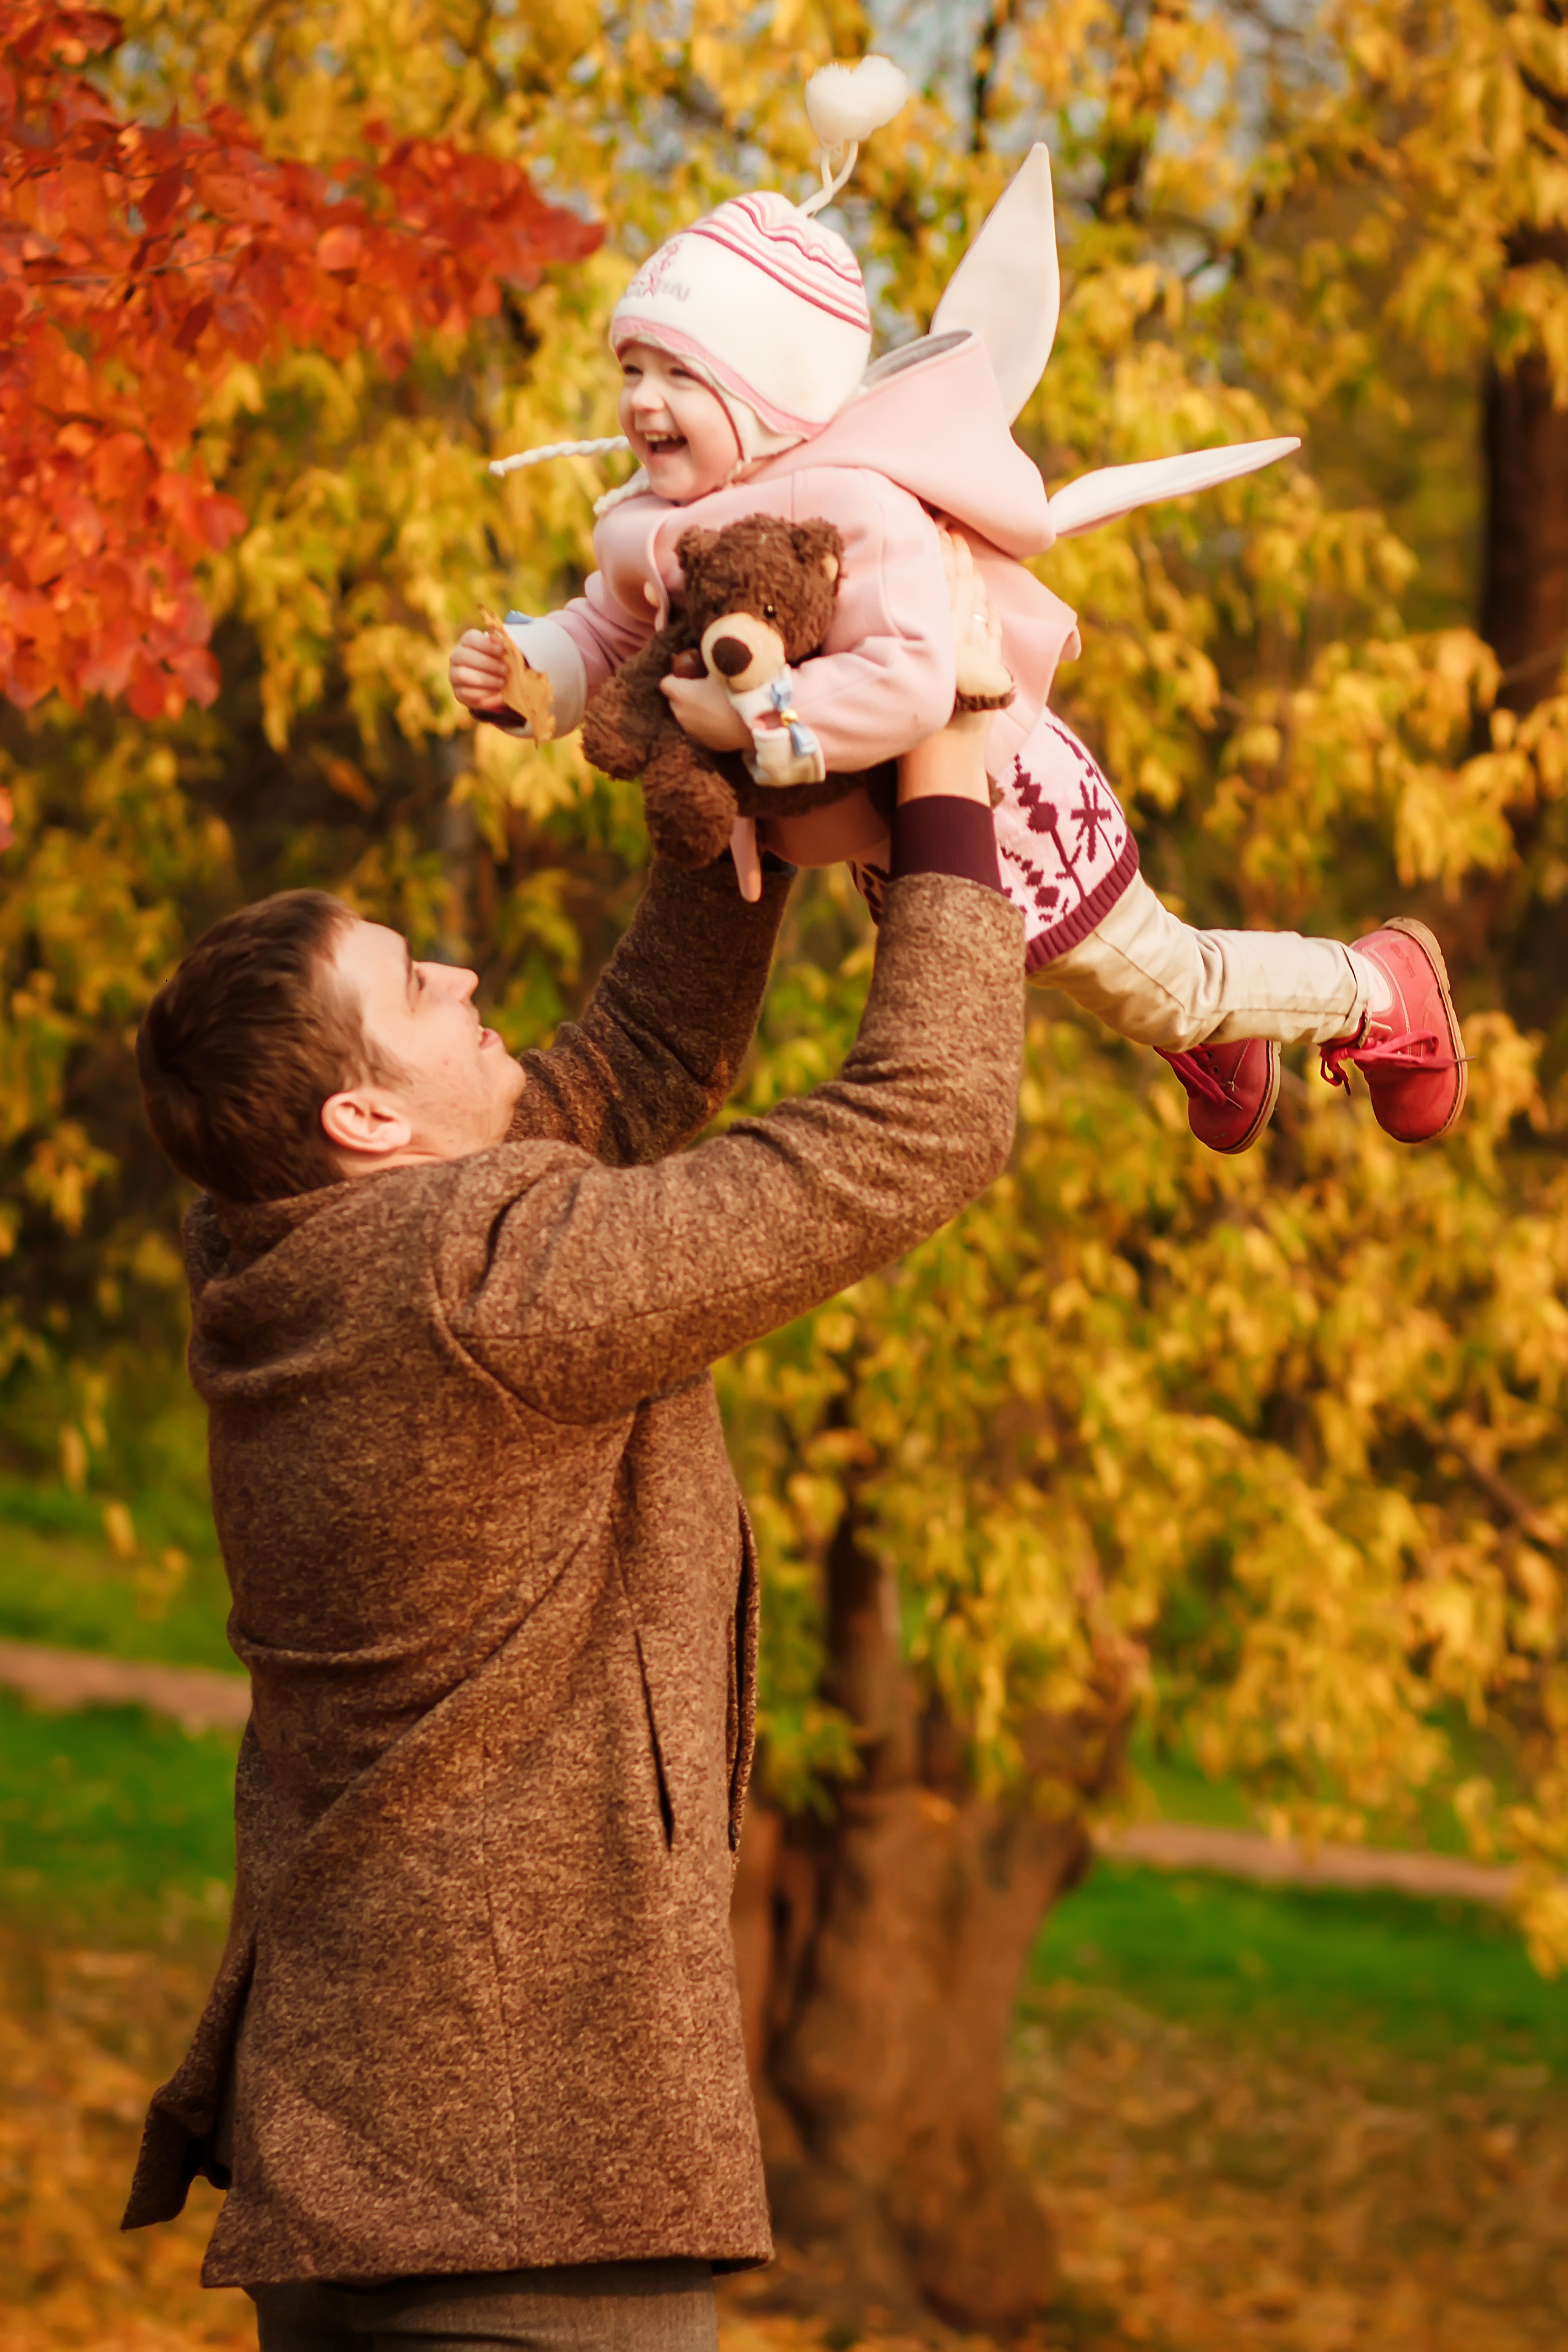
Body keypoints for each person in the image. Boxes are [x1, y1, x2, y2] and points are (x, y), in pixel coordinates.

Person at [120, 578, 1022, 2352]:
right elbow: (930, 1121)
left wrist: (723, 768)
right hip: (518, 2223)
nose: (462, 972)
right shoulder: (483, 1288)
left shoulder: (291, 1265)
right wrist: (949, 795)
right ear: (366, 1121)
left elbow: (627, 1070)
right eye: (412, 981)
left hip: (375, 2177)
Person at [450, 108, 1466, 1159]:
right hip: (905, 829)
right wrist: (538, 673)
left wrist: (756, 720)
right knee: (1031, 974)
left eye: (679, 378)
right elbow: (612, 625)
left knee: (1165, 977)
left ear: (770, 399)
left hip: (1008, 799)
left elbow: (913, 679)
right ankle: (1221, 1043)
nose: (641, 404)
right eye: (632, 371)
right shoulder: (655, 525)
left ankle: (1376, 988)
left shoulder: (854, 508)